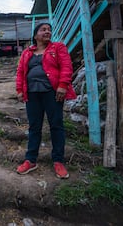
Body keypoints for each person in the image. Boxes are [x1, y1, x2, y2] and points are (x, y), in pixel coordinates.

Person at [16, 23, 76, 179]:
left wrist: (63, 85)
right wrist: (19, 90)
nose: (47, 31)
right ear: (35, 35)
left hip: (52, 93)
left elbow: (66, 67)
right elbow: (21, 72)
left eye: (49, 30)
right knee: (34, 127)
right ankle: (31, 160)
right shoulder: (27, 53)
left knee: (56, 125)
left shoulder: (58, 48)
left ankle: (58, 161)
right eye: (43, 30)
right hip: (32, 94)